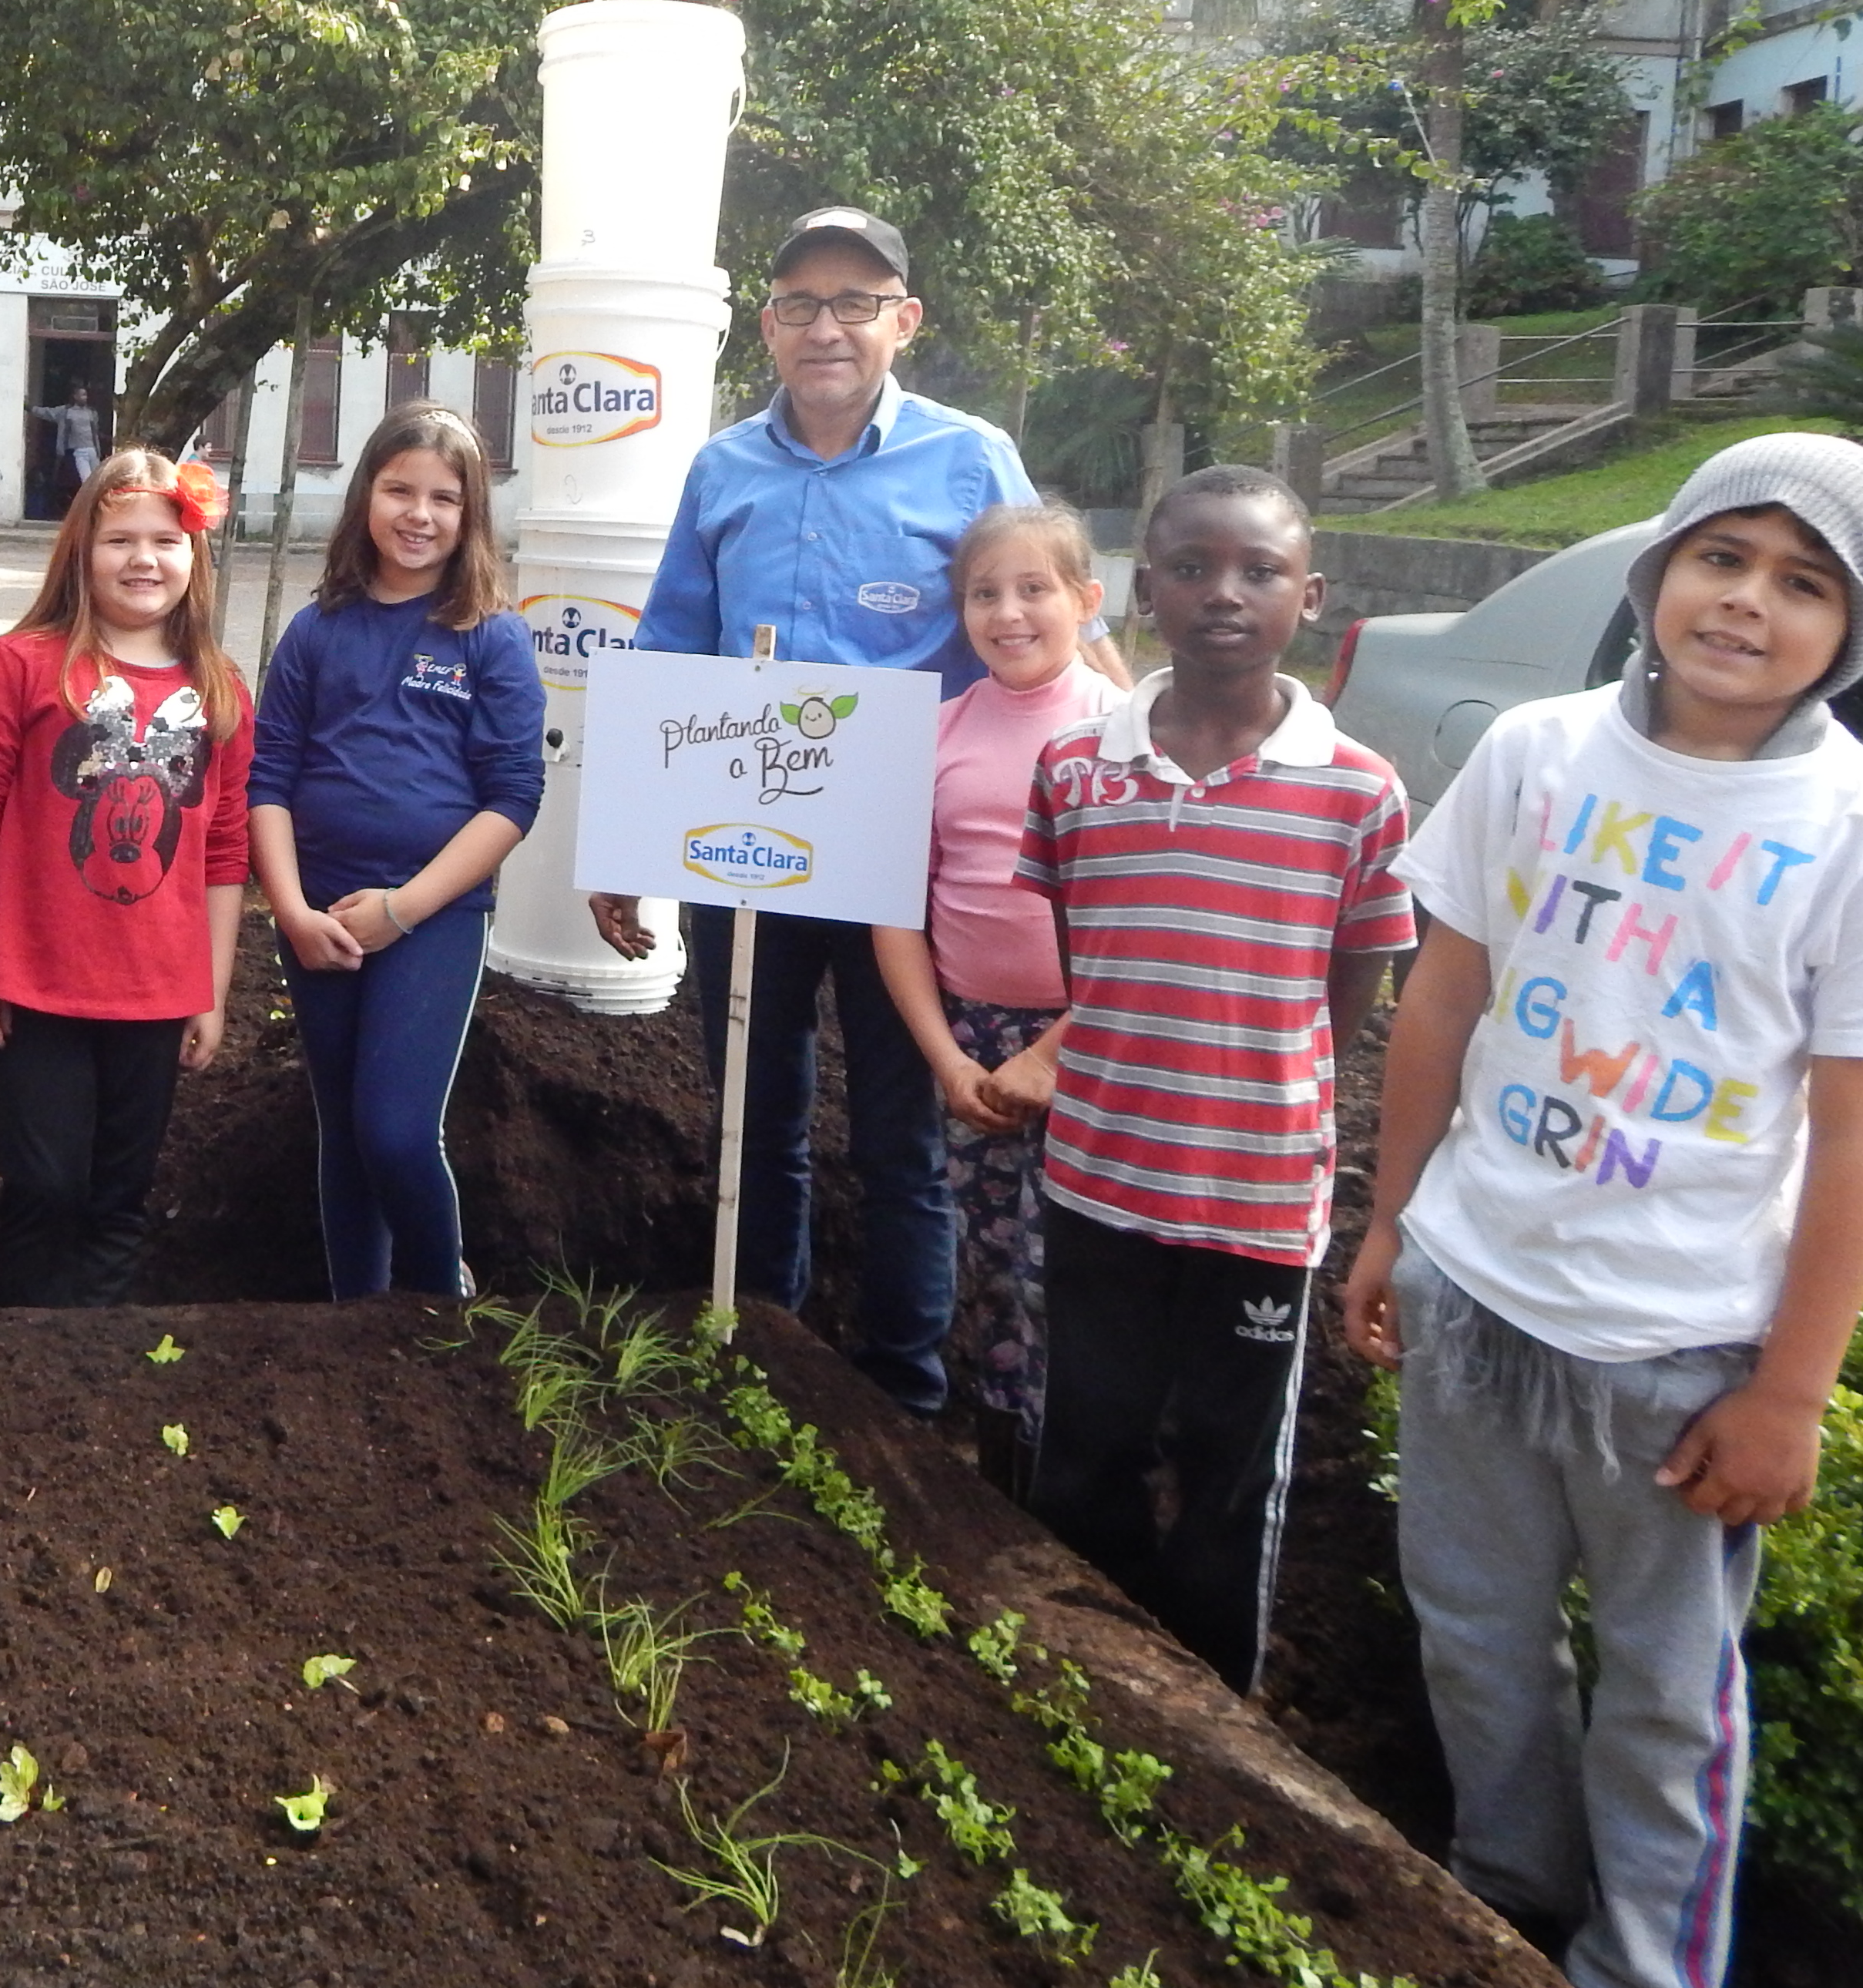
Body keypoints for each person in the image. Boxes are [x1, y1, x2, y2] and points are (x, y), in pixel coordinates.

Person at [1342, 435, 1863, 1988]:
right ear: (1659, 570)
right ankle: (1499, 1894)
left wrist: (1792, 1396)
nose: (1748, 603)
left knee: (1667, 1698)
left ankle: (1640, 1960)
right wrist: (1389, 1224)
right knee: (1472, 1636)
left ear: (1855, 630)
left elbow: (1859, 1140)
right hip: (1475, 1293)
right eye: (1722, 557)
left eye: (1804, 583)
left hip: (1675, 1358)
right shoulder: (1537, 754)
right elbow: (1441, 1006)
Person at [589, 206, 1119, 1409]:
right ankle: (761, 1345)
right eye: (800, 305)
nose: (826, 328)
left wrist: (1128, 759)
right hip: (746, 843)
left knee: (902, 1133)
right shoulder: (723, 469)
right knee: (755, 1114)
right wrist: (622, 838)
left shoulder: (970, 456)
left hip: (907, 861)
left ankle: (900, 1387)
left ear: (903, 321)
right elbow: (674, 644)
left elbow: (1050, 617)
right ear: (767, 328)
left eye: (854, 303)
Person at [1013, 465, 1413, 1695]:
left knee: (1234, 1471)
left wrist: (1262, 1084)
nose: (1223, 594)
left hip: (1255, 1206)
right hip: (1098, 1178)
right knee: (1086, 1442)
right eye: (1191, 568)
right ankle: (1081, 1675)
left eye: (1260, 571)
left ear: (1313, 595)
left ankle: (1209, 1707)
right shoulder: (1078, 774)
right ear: (1145, 591)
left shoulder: (1361, 791)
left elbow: (1353, 987)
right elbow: (1091, 958)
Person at [0, 448, 251, 1306]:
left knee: (120, 1196)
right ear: (81, 551)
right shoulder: (25, 667)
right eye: (119, 540)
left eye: (166, 540)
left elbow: (224, 848)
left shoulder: (219, 692)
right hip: (37, 985)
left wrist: (210, 988)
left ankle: (95, 1364)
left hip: (155, 990)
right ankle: (27, 1355)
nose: (144, 559)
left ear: (196, 557)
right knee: (45, 1188)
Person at [250, 404, 544, 1299]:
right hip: (320, 919)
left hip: (434, 919)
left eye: (444, 498)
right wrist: (293, 913)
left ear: (470, 515)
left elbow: (512, 799)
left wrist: (403, 909)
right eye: (399, 489)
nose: (419, 514)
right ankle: (357, 1318)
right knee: (343, 1133)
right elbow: (268, 781)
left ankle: (435, 1306)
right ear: (364, 498)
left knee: (396, 1133)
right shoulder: (316, 630)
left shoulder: (489, 634)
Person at [868, 499, 1116, 1499]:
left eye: (1034, 590)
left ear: (1086, 602)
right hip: (971, 1042)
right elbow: (896, 913)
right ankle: (1003, 1461)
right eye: (984, 594)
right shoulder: (938, 735)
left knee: (1067, 1266)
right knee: (990, 1256)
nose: (1009, 614)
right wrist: (948, 1059)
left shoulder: (1123, 734)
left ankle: (1079, 1473)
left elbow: (1146, 926)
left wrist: (1054, 1051)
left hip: (1094, 1045)